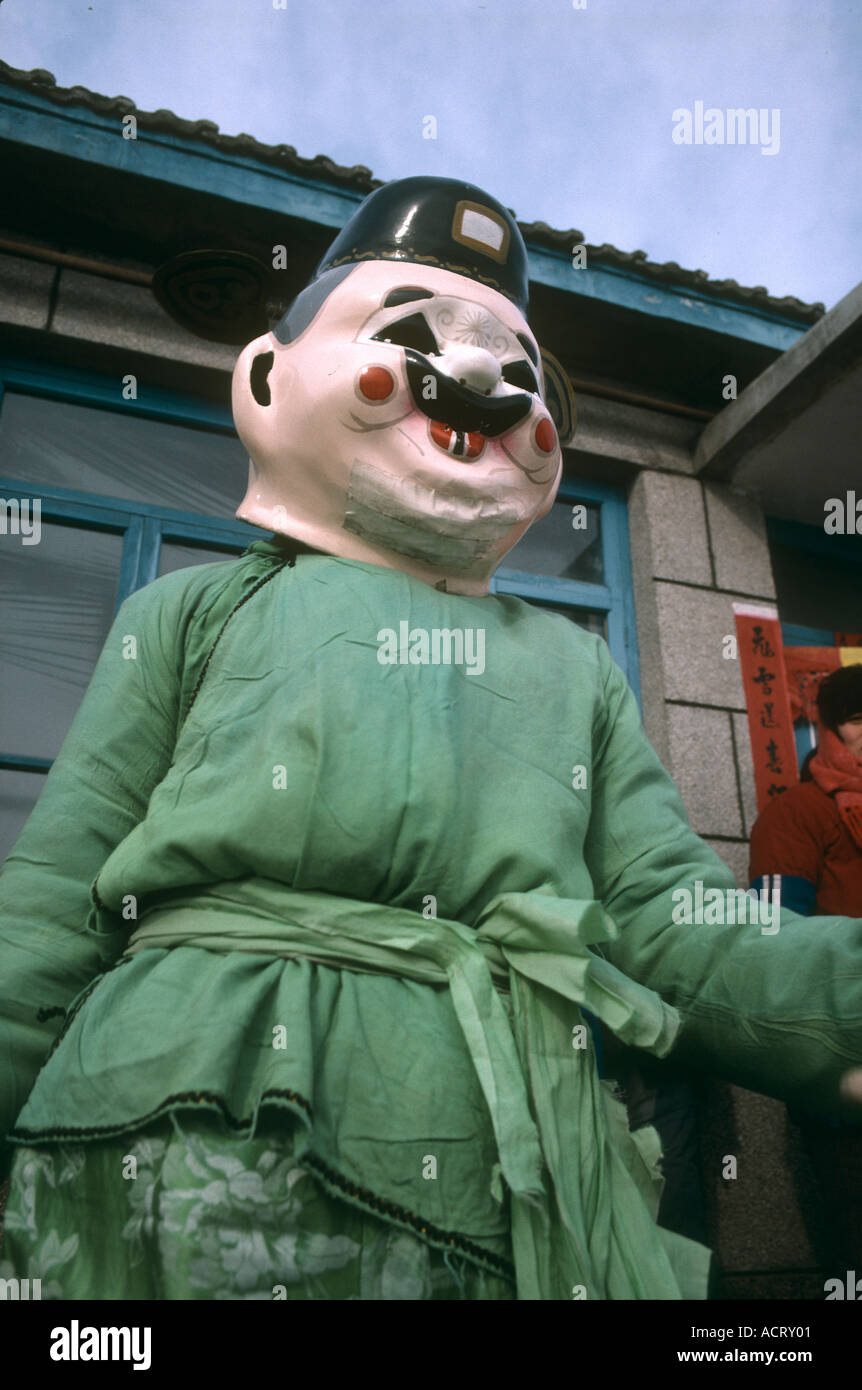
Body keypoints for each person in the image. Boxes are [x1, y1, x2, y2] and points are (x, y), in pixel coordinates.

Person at [2, 177, 862, 1302]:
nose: (482, 388)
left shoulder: (572, 666)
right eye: (413, 337)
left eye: (523, 374)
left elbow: (667, 923)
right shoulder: (189, 614)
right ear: (270, 377)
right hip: (157, 1137)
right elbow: (60, 900)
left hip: (491, 1182)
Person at [749, 663, 862, 1275]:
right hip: (845, 1078)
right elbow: (772, 945)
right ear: (828, 730)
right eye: (859, 721)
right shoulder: (794, 814)